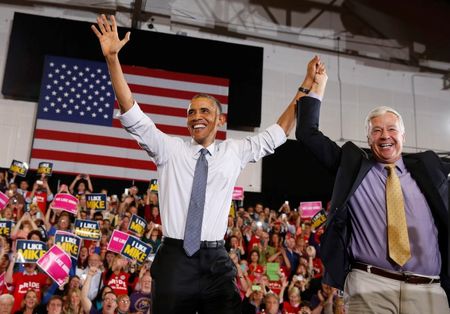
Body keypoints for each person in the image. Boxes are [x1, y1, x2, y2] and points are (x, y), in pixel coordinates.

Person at [91, 14, 304, 314]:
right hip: (175, 258)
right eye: (191, 112)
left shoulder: (234, 151)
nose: (196, 116)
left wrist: (304, 90)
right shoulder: (169, 149)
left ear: (220, 119)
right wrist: (113, 58)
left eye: (204, 110)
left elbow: (278, 133)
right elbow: (131, 111)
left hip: (216, 259)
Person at [295, 56, 450, 313]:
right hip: (370, 287)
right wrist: (317, 86)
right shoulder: (353, 167)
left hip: (429, 291)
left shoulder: (429, 168)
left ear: (404, 136)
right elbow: (307, 133)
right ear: (368, 138)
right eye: (376, 131)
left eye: (391, 129)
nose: (385, 136)